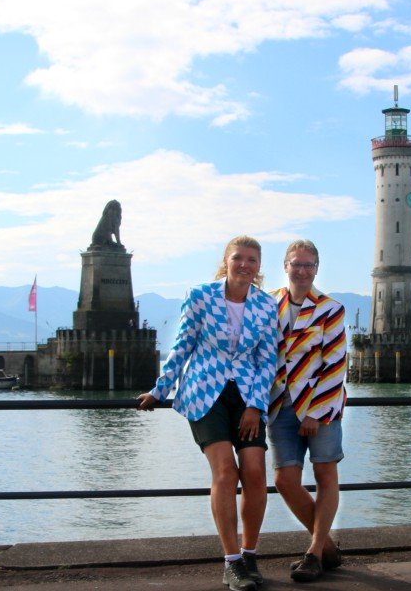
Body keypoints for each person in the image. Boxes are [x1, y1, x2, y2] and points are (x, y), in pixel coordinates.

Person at [137, 235, 278, 591]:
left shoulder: (265, 305)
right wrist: (160, 389)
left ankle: (249, 554)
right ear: (226, 261)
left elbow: (267, 361)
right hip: (205, 393)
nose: (244, 264)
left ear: (259, 267)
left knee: (256, 474)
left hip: (247, 396)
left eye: (252, 260)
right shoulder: (201, 296)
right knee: (226, 472)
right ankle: (231, 562)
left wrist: (256, 405)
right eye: (238, 258)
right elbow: (182, 345)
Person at [267, 239, 347, 583]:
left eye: (309, 265)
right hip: (278, 403)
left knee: (325, 474)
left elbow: (335, 364)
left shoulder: (330, 309)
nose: (302, 271)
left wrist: (316, 411)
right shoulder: (268, 305)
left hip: (320, 404)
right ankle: (327, 546)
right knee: (285, 479)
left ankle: (313, 553)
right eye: (296, 264)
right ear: (285, 265)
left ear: (317, 268)